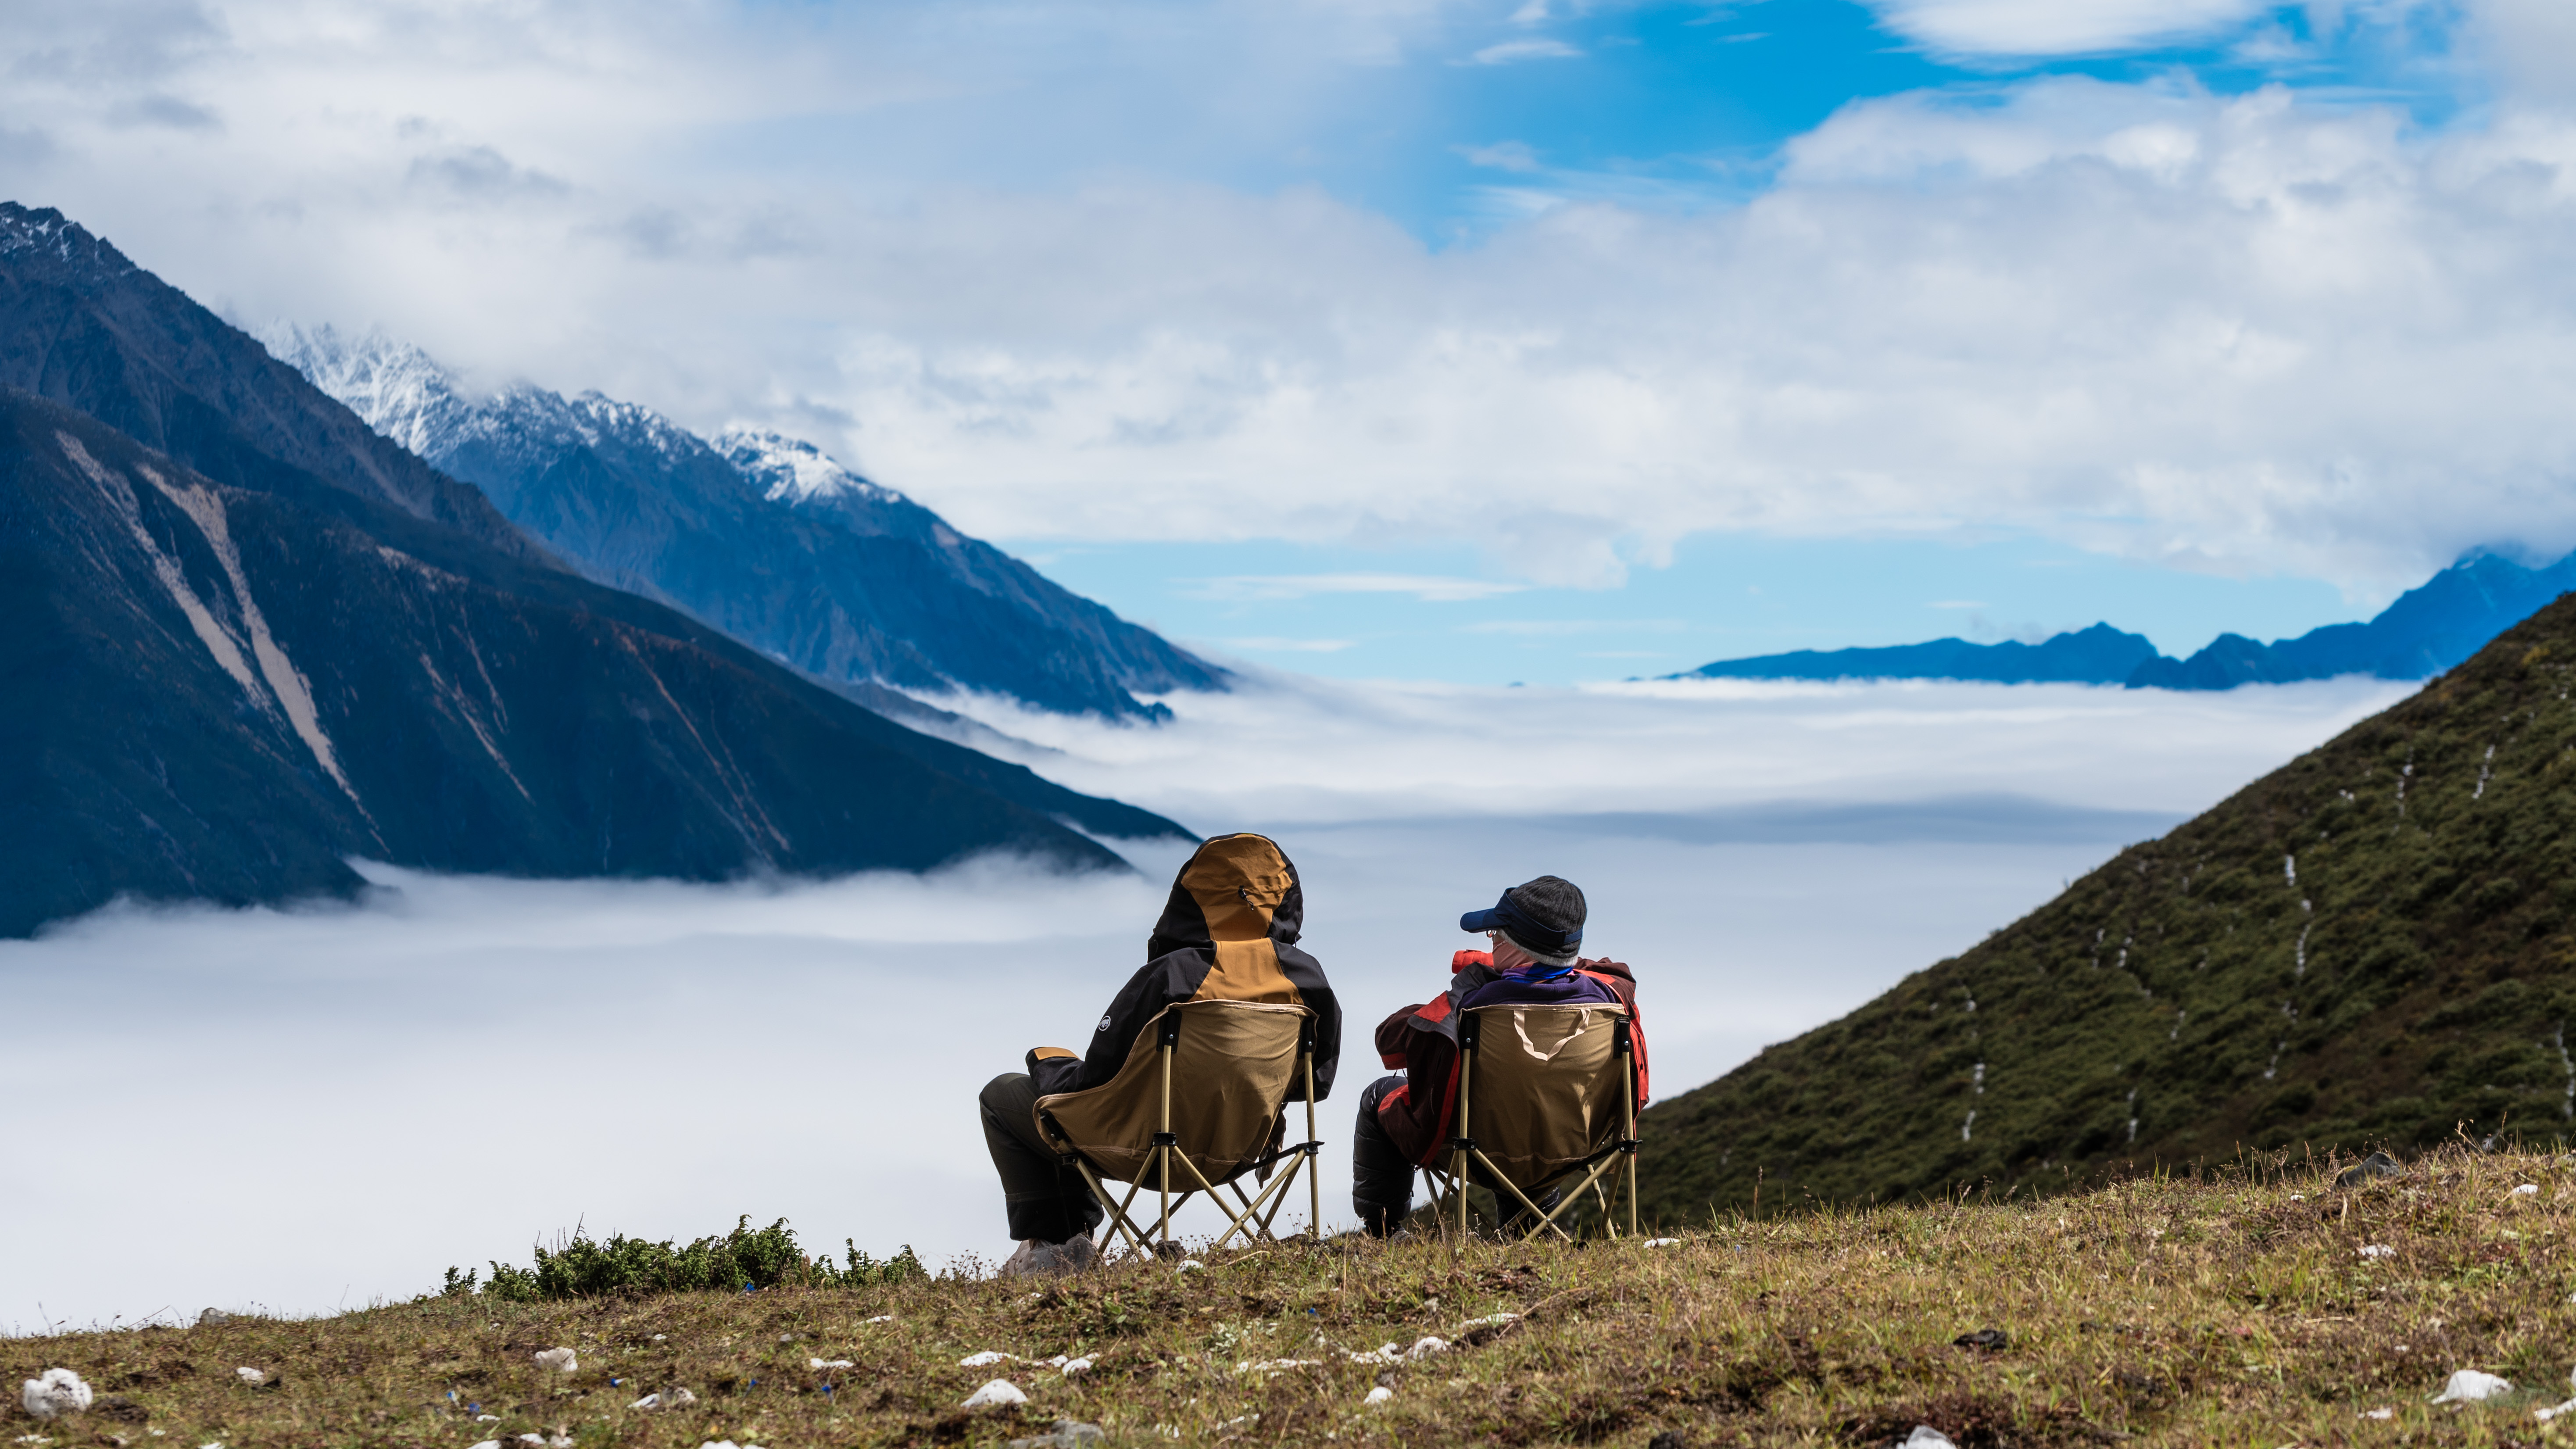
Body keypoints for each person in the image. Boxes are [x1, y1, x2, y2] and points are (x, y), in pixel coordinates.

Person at [978, 833, 1341, 1275]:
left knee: (1003, 1096)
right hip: (1243, 1152)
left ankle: (1056, 1247)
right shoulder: (1307, 980)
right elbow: (1314, 1084)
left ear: (1190, 899)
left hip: (1144, 1152)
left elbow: (1097, 1082)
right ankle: (1063, 1245)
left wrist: (1049, 1067)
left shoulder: (1168, 976)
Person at [1351, 874, 1648, 1236]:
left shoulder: (1474, 1005)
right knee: (1536, 1106)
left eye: (1496, 934)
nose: (1491, 943)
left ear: (1517, 944)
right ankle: (1526, 1231)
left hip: (1481, 1152)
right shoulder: (1613, 1003)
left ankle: (1382, 1231)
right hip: (1573, 1151)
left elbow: (1390, 1042)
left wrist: (1469, 983)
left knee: (1378, 1094)